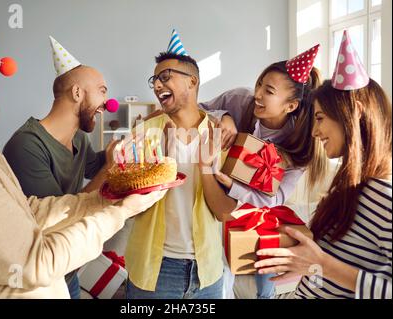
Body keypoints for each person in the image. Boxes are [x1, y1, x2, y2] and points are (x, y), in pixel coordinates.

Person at [0, 7, 165, 298]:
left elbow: (29, 209)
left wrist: (113, 188)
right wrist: (120, 211)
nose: (1, 63)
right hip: (57, 265)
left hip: (66, 274)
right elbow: (32, 260)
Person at [254, 31, 392, 299]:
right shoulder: (351, 188)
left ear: (356, 113)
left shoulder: (384, 198)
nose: (315, 132)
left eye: (319, 118)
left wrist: (322, 265)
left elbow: (324, 266)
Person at [199, 45, 326, 298]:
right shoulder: (238, 100)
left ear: (290, 106)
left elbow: (274, 199)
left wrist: (235, 187)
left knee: (275, 237)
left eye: (268, 91)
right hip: (211, 192)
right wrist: (222, 116)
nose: (257, 94)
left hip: (254, 206)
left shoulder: (299, 144)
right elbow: (195, 112)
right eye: (259, 84)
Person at [2, 37, 118, 299]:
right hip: (37, 281)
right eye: (102, 90)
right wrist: (109, 170)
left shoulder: (78, 137)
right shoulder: (26, 146)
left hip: (67, 272)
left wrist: (116, 153)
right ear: (77, 93)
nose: (107, 103)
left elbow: (93, 166)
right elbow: (61, 215)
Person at [125, 30, 224, 299]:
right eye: (155, 80)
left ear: (192, 81)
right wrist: (162, 168)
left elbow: (225, 212)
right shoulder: (142, 134)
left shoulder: (220, 134)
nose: (157, 86)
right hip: (155, 271)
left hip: (208, 273)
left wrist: (206, 168)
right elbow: (130, 211)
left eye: (165, 77)